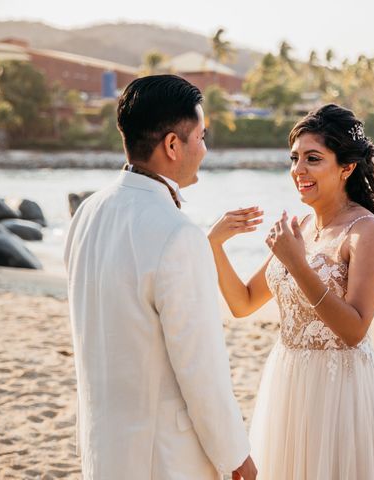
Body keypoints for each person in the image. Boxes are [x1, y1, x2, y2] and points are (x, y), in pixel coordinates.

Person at [64, 75, 257, 480]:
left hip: (102, 449)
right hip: (165, 458)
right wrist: (235, 455)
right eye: (201, 137)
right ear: (173, 145)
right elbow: (201, 366)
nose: (205, 149)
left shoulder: (87, 213)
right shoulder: (179, 234)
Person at [208, 104, 374, 479]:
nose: (298, 170)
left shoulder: (369, 232)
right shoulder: (298, 226)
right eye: (295, 158)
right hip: (288, 380)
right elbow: (243, 302)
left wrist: (297, 264)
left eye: (313, 159)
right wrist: (214, 246)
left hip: (340, 389)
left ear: (346, 167)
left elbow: (353, 331)